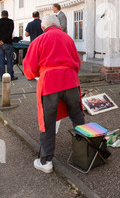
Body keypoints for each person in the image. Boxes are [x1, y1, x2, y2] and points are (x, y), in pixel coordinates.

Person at [23, 14, 85, 173]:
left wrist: (37, 74)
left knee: (47, 121)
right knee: (77, 117)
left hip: (50, 83)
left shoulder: (39, 40)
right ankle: (84, 154)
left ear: (43, 27)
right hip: (70, 80)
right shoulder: (68, 39)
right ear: (58, 26)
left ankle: (46, 161)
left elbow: (29, 69)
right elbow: (77, 63)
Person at [0, 10, 18, 81]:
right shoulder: (10, 22)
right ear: (7, 15)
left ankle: (2, 76)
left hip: (0, 44)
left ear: (1, 15)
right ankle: (10, 76)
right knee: (9, 59)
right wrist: (4, 40)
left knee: (1, 60)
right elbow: (10, 32)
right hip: (7, 43)